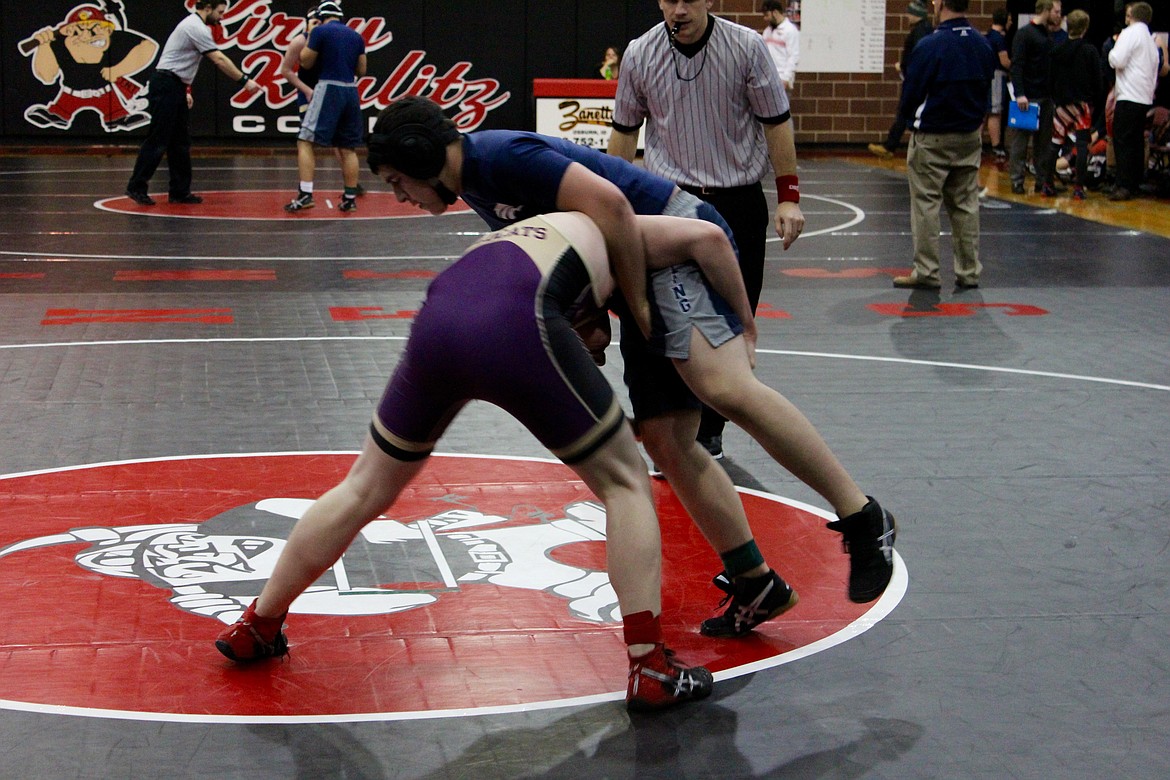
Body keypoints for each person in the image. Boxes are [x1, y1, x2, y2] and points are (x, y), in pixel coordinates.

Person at [363, 98, 896, 628]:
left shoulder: (502, 156)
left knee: (723, 387)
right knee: (669, 443)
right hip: (634, 265)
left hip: (674, 245)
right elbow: (570, 237)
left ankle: (861, 515)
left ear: (420, 156)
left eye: (395, 181)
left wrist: (637, 305)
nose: (399, 195)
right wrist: (595, 315)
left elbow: (612, 207)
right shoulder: (476, 181)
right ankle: (755, 583)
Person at [215, 210, 715, 712]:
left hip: (440, 319)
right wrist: (740, 322)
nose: (600, 355)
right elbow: (706, 234)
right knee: (626, 483)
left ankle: (257, 624)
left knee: (364, 486)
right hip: (519, 322)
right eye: (598, 346)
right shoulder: (628, 226)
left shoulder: (532, 229)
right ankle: (649, 665)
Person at [607, 0, 805, 463]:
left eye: (689, 0)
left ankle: (709, 432)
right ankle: (662, 423)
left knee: (730, 323)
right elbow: (624, 132)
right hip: (669, 202)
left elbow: (776, 123)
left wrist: (790, 195)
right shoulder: (639, 53)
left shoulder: (747, 47)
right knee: (650, 318)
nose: (679, 10)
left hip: (735, 202)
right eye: (670, 0)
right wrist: (610, 206)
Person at [893, 0, 996, 291]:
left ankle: (927, 271)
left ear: (939, 4)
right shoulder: (982, 44)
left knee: (926, 204)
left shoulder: (930, 45)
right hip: (969, 136)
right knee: (966, 205)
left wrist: (905, 122)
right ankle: (969, 271)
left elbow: (912, 92)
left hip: (933, 136)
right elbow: (986, 86)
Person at [124, 1, 260, 206]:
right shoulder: (194, 27)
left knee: (180, 142)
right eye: (220, 12)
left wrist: (185, 89)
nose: (222, 17)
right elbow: (219, 59)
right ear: (208, 7)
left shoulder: (197, 26)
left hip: (174, 84)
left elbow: (182, 61)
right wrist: (244, 80)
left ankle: (179, 191)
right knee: (158, 139)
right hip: (166, 85)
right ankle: (136, 186)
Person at [284, 1, 367, 214]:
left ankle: (306, 195)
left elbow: (306, 63)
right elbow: (362, 70)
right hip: (351, 90)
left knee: (305, 140)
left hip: (329, 87)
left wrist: (313, 38)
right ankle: (350, 199)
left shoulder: (319, 31)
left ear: (320, 17)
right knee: (347, 147)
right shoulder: (356, 35)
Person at [1048, 10, 1103, 200]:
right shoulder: (1089, 51)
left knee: (1055, 142)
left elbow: (1051, 77)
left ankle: (1047, 183)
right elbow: (1098, 80)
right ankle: (1078, 187)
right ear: (1085, 28)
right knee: (1081, 145)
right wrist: (1094, 100)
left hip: (1061, 104)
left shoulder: (1056, 49)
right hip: (1081, 105)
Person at [1107, 2, 1159, 201]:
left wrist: (1112, 50)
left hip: (1128, 94)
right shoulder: (1150, 39)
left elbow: (1118, 60)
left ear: (1131, 16)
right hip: (1144, 96)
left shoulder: (1129, 33)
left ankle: (1123, 184)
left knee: (1122, 140)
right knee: (1136, 140)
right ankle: (1135, 182)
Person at [868, 0, 933, 159]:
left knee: (906, 112)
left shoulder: (919, 32)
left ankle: (891, 146)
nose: (906, 16)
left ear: (916, 14)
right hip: (916, 77)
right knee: (907, 113)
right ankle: (892, 145)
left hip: (915, 79)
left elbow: (918, 55)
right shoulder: (925, 29)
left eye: (909, 13)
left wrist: (905, 67)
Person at [1009, 0, 1061, 195]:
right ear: (1046, 10)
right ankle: (1016, 179)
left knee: (1043, 142)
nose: (1058, 16)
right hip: (1029, 97)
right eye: (1056, 12)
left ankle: (1042, 179)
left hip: (1046, 95)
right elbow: (1017, 65)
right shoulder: (1025, 34)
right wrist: (1020, 93)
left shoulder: (1047, 35)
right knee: (1020, 142)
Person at [984, 7, 1012, 161]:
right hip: (996, 76)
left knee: (984, 112)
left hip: (987, 75)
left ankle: (978, 143)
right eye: (1009, 20)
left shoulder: (988, 35)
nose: (1011, 22)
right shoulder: (999, 39)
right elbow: (1005, 61)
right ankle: (996, 146)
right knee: (995, 112)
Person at [761, 0, 799, 92]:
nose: (765, 19)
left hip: (781, 80)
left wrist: (785, 78)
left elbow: (794, 56)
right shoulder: (767, 31)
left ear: (775, 12)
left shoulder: (790, 30)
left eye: (767, 15)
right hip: (767, 80)